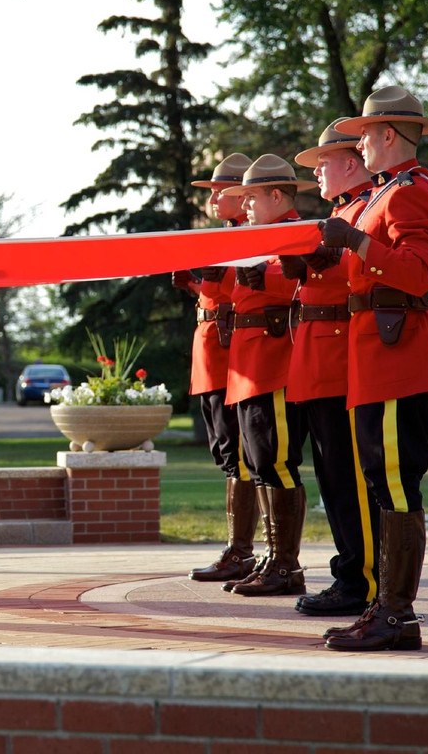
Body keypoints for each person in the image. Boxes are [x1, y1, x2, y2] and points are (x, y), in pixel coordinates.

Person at [319, 85, 428, 652]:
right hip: (378, 358)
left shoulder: (411, 191)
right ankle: (384, 607)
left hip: (400, 359)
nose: (360, 145)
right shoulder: (387, 191)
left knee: (395, 484)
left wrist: (356, 241)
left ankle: (397, 615)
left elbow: (419, 273)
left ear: (389, 135)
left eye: (366, 135)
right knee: (381, 482)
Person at [283, 120, 380, 618]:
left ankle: (361, 580)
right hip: (318, 359)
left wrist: (320, 260)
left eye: (324, 163)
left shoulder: (367, 207)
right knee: (332, 477)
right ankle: (349, 572)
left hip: (342, 359)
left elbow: (366, 271)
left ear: (350, 163)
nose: (318, 173)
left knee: (349, 479)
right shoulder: (344, 211)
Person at [218, 155, 314, 597]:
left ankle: (286, 565)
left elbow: (304, 279)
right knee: (260, 464)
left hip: (275, 362)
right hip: (251, 362)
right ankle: (273, 557)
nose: (245, 206)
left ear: (277, 195)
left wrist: (262, 274)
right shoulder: (261, 236)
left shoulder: (294, 233)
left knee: (276, 462)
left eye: (251, 197)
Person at [172, 153, 257, 583]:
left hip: (229, 358)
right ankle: (237, 549)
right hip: (212, 354)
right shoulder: (226, 236)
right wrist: (193, 283)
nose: (213, 199)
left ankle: (241, 551)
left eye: (220, 191)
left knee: (238, 454)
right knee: (228, 454)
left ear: (243, 195)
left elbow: (239, 297)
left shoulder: (247, 237)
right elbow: (217, 296)